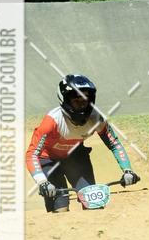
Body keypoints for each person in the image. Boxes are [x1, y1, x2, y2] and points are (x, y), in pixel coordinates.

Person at [26, 74, 140, 213]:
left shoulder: (96, 118)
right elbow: (32, 154)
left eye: (85, 100)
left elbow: (114, 143)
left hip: (75, 157)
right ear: (65, 100)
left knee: (93, 202)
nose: (81, 105)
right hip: (47, 160)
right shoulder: (51, 121)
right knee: (60, 208)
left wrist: (127, 170)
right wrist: (42, 182)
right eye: (76, 100)